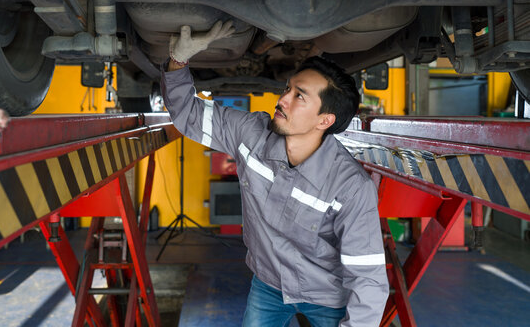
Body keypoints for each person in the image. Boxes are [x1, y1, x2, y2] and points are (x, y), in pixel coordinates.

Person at [161, 21, 389, 327]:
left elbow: (368, 275)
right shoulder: (251, 134)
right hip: (268, 284)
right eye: (288, 89)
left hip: (327, 294)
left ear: (325, 120)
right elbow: (187, 113)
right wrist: (178, 61)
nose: (282, 100)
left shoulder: (350, 187)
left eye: (300, 97)